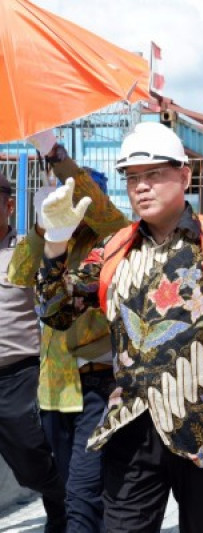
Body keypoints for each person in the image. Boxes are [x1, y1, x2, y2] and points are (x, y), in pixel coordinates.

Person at [35, 122, 203, 533]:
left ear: (184, 176)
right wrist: (56, 243)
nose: (141, 187)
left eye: (154, 175)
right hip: (131, 426)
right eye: (133, 178)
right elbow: (56, 312)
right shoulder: (114, 248)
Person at [8, 131, 126, 532]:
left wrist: (55, 153)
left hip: (101, 381)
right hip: (56, 386)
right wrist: (44, 230)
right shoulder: (51, 239)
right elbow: (19, 274)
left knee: (83, 488)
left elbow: (106, 212)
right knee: (65, 488)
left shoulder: (111, 241)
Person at [0, 172, 67, 533]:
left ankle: (70, 502)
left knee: (30, 464)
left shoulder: (27, 249)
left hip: (18, 375)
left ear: (9, 205)